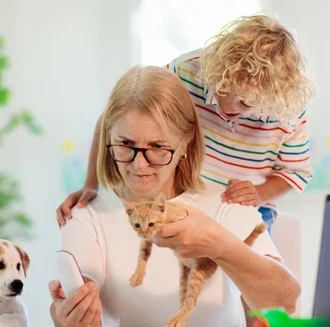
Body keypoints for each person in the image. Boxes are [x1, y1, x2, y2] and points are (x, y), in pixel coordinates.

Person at [49, 66, 300, 327]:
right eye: (125, 144)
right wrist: (68, 319)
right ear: (107, 137)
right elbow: (70, 313)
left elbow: (284, 302)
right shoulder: (86, 214)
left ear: (185, 143)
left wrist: (218, 244)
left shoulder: (226, 203)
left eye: (157, 147)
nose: (139, 164)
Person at [56, 15, 315, 234]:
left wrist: (258, 193)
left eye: (245, 104)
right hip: (184, 199)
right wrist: (91, 184)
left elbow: (294, 173)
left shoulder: (286, 110)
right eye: (221, 89)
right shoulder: (188, 70)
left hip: (243, 209)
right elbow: (113, 119)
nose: (227, 108)